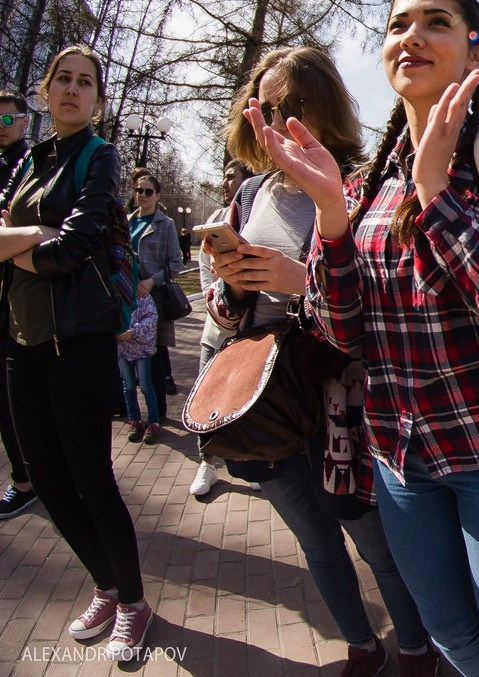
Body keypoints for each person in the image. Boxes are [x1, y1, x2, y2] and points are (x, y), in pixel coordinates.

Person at [256, 0, 479, 675]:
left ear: (473, 49)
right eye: (398, 25)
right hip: (399, 456)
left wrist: (434, 193)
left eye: (437, 22)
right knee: (448, 631)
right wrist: (333, 218)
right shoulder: (362, 183)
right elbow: (339, 332)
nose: (412, 36)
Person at [205, 46, 438, 676]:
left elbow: (378, 312)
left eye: (293, 104)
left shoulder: (359, 183)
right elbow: (222, 318)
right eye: (266, 106)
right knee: (315, 541)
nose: (278, 118)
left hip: (341, 403)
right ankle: (362, 645)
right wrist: (233, 282)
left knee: (375, 544)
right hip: (264, 400)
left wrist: (298, 279)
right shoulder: (250, 192)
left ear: (324, 105)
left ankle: (416, 649)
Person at [1, 45, 152, 660]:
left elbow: (74, 246)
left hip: (80, 342)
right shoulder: (28, 162)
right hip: (20, 339)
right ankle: (107, 586)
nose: (71, 90)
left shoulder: (101, 157)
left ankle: (134, 604)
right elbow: (40, 240)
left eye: (84, 82)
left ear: (96, 97)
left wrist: (21, 245)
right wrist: (31, 236)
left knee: (91, 480)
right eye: (61, 79)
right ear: (44, 90)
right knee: (46, 481)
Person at [188, 160, 255, 497]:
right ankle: (207, 463)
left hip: (247, 334)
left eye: (233, 177)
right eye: (225, 176)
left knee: (241, 403)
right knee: (205, 401)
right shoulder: (215, 221)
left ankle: (248, 461)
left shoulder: (254, 214)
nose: (227, 182)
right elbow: (204, 271)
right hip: (214, 331)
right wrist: (213, 299)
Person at [0, 89, 36, 520]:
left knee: (19, 398)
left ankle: (28, 480)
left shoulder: (32, 164)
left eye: (8, 120)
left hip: (24, 297)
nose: (1, 128)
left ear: (25, 123)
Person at [128, 170, 181, 413]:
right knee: (126, 353)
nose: (143, 195)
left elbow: (175, 264)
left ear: (157, 196)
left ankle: (158, 411)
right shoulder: (128, 222)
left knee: (155, 356)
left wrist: (152, 282)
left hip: (154, 300)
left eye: (148, 191)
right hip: (128, 298)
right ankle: (131, 412)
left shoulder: (165, 224)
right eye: (139, 190)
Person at [118, 291, 161, 444]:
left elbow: (152, 317)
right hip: (122, 350)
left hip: (141, 349)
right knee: (128, 385)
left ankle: (154, 422)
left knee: (145, 385)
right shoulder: (114, 292)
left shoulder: (142, 293)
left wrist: (133, 332)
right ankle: (134, 420)